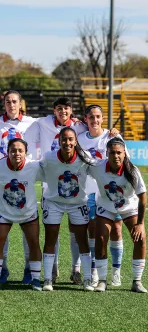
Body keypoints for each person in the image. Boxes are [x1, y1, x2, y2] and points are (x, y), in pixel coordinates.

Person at [39, 127, 94, 291]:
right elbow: (37, 171)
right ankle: (48, 279)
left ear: (76, 141)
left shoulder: (85, 158)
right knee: (50, 238)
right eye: (64, 139)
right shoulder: (49, 157)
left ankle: (87, 279)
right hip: (53, 202)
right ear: (59, 141)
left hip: (77, 203)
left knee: (82, 239)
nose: (67, 142)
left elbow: (98, 171)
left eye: (70, 139)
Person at [88, 138, 147, 293]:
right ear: (106, 153)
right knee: (101, 237)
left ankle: (137, 281)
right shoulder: (97, 166)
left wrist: (140, 224)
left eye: (119, 152)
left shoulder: (132, 171)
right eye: (112, 152)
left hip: (129, 207)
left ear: (124, 154)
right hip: (106, 206)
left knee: (140, 238)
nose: (116, 156)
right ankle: (102, 281)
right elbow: (81, 161)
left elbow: (143, 198)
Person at [0, 138, 43, 291]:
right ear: (7, 152)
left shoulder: (34, 166)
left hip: (27, 211)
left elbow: (51, 177)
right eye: (13, 150)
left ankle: (36, 279)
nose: (16, 153)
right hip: (3, 210)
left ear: (26, 153)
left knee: (33, 243)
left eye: (20, 150)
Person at [78, 104, 125, 286]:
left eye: (98, 116)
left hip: (112, 190)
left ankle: (116, 271)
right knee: (93, 228)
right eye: (91, 117)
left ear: (103, 118)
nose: (95, 120)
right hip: (89, 190)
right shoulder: (80, 139)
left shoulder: (113, 137)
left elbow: (124, 161)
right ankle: (94, 270)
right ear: (86, 119)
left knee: (117, 229)